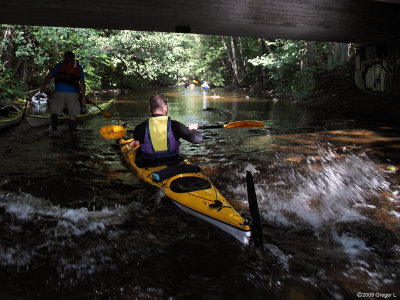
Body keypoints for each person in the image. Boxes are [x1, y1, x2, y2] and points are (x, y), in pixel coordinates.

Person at [133, 94, 202, 166]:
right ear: (166, 108)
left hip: (149, 163)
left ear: (149, 108)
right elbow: (198, 139)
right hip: (173, 161)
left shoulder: (140, 128)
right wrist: (193, 129)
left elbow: (137, 141)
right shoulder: (175, 125)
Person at [40, 51, 86, 131]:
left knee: (55, 112)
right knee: (72, 115)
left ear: (65, 57)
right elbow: (82, 83)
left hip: (59, 92)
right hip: (73, 93)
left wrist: (43, 86)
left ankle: (53, 131)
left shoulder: (60, 64)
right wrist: (83, 96)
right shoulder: (78, 67)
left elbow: (49, 76)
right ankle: (72, 134)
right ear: (74, 58)